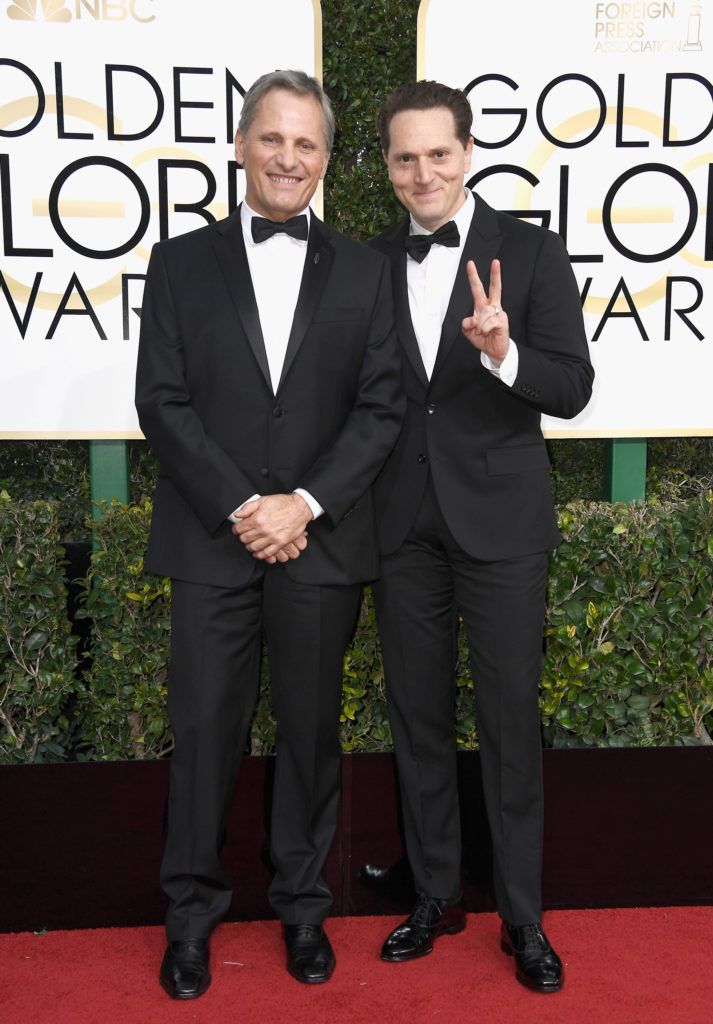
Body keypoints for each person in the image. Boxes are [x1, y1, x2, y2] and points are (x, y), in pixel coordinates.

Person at [135, 69, 403, 998]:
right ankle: (191, 920)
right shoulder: (178, 263)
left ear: (326, 161)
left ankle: (301, 909)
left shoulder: (369, 271)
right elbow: (160, 403)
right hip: (212, 541)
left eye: (308, 144)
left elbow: (379, 410)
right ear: (241, 145)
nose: (289, 158)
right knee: (204, 733)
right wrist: (245, 508)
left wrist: (304, 504)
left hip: (319, 544)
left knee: (309, 734)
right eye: (273, 139)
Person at [366, 81, 594, 992]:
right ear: (384, 165)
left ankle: (523, 918)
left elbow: (573, 387)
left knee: (506, 724)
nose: (422, 171)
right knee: (416, 719)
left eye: (437, 153)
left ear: (468, 152)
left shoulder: (530, 253)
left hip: (500, 521)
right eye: (403, 156)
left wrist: (502, 353)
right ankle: (433, 896)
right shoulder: (365, 261)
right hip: (398, 523)